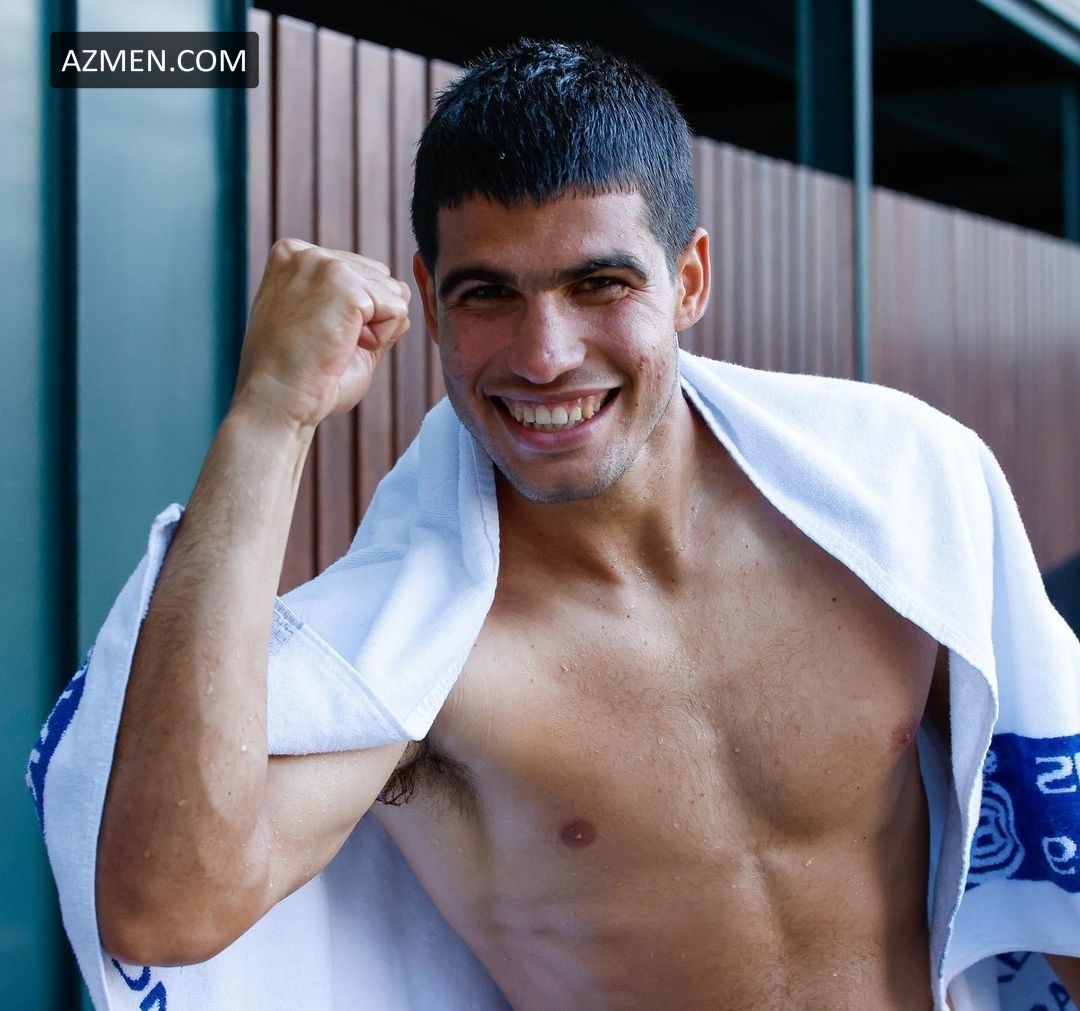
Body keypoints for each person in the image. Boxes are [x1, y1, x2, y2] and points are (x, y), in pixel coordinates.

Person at [76, 39, 1080, 1008]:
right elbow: (163, 908)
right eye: (488, 295)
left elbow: (1054, 831)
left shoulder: (894, 495)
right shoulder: (421, 654)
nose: (545, 355)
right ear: (430, 302)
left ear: (689, 280)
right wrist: (269, 417)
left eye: (600, 284)